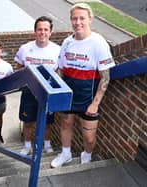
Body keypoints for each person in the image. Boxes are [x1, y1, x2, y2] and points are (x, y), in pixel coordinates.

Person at [50, 3, 115, 168]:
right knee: (65, 125)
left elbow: (105, 77)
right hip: (69, 96)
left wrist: (95, 103)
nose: (77, 22)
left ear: (90, 20)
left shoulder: (98, 43)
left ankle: (86, 156)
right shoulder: (67, 43)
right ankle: (66, 154)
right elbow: (61, 70)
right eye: (74, 18)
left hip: (88, 100)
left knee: (89, 138)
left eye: (82, 18)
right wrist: (58, 92)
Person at [14, 16, 61, 156]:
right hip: (29, 91)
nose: (43, 32)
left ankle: (47, 144)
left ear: (50, 32)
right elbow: (19, 65)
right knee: (28, 121)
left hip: (47, 92)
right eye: (39, 29)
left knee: (47, 122)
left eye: (46, 29)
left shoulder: (57, 50)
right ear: (35, 31)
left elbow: (58, 71)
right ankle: (27, 146)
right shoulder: (25, 48)